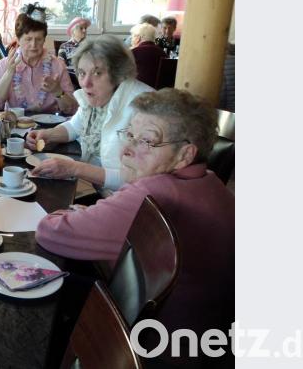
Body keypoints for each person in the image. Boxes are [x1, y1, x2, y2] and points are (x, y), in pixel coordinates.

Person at [35, 88, 234, 368]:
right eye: (129, 135)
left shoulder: (155, 192)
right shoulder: (211, 181)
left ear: (185, 155)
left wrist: (72, 212)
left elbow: (51, 231)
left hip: (152, 350)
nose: (126, 149)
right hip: (207, 341)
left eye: (147, 141)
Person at [25, 35, 153, 191]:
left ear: (118, 74)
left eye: (97, 73)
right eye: (81, 73)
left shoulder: (142, 107)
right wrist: (47, 134)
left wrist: (74, 168)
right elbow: (75, 126)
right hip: (93, 187)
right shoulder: (98, 97)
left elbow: (138, 178)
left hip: (120, 197)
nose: (86, 83)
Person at [0, 6, 79, 114]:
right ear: (18, 40)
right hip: (14, 122)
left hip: (49, 123)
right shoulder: (4, 65)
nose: (33, 45)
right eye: (28, 39)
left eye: (38, 39)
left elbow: (72, 110)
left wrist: (58, 92)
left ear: (44, 40)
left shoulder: (58, 65)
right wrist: (9, 73)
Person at [130, 22, 166, 88]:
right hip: (159, 91)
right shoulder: (162, 53)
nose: (131, 40)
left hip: (138, 90)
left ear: (138, 38)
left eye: (132, 37)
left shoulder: (134, 52)